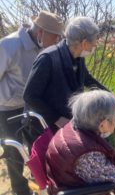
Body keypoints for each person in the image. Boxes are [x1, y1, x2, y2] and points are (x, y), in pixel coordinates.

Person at [0, 10, 63, 195]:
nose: (57, 41)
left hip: (31, 107)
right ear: (41, 32)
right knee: (14, 153)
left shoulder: (43, 47)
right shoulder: (9, 46)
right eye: (55, 37)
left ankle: (41, 183)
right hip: (7, 108)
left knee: (36, 147)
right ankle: (20, 190)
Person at [23, 16, 114, 133]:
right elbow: (30, 96)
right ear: (84, 43)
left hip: (65, 124)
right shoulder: (48, 59)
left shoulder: (78, 56)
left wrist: (109, 96)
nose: (95, 47)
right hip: (43, 126)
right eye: (94, 44)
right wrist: (57, 118)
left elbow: (87, 78)